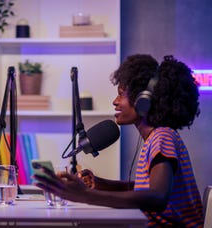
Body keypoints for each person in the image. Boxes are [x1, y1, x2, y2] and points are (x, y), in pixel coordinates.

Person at [34, 54, 204, 227]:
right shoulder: (157, 137)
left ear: (144, 101)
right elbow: (144, 190)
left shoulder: (162, 137)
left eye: (122, 95)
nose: (115, 102)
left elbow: (157, 197)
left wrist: (85, 195)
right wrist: (101, 184)